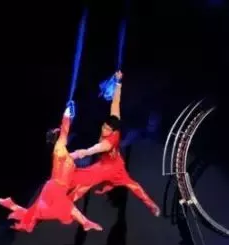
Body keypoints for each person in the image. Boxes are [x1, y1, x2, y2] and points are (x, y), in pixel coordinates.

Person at [0, 102, 103, 232]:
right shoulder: (59, 148)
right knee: (63, 208)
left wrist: (85, 151)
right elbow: (64, 131)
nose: (63, 136)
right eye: (58, 133)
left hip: (55, 188)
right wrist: (67, 114)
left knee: (42, 212)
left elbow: (73, 153)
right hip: (56, 188)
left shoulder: (63, 154)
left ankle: (11, 205)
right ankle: (86, 223)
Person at [68, 71, 161, 217]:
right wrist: (118, 82)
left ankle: (152, 205)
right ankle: (67, 203)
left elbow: (88, 151)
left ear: (113, 131)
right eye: (104, 127)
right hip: (108, 163)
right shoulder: (114, 120)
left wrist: (71, 155)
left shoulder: (106, 143)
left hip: (113, 168)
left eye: (107, 129)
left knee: (133, 185)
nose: (104, 130)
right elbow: (116, 101)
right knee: (84, 184)